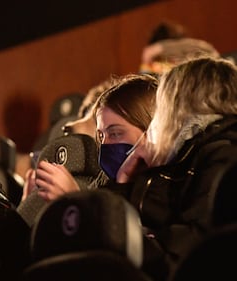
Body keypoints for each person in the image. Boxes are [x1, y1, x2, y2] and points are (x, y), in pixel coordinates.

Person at [113, 56, 237, 280]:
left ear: (175, 105)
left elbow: (180, 252)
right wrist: (126, 181)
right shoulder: (187, 155)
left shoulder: (222, 154)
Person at [25, 73, 158, 202]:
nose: (104, 144)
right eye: (100, 136)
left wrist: (75, 199)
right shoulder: (103, 185)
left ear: (151, 132)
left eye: (115, 133)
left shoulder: (166, 192)